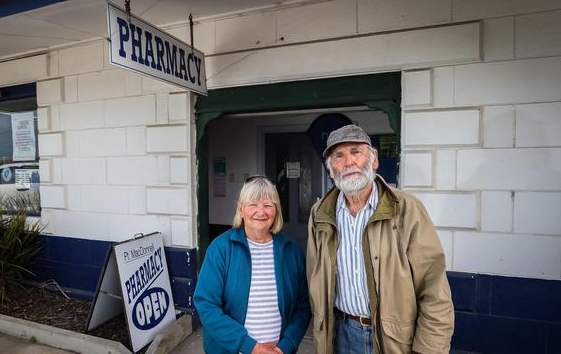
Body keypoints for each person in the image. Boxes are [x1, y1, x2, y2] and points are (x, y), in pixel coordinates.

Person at [307, 124, 454, 354]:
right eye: (339, 156)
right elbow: (315, 279)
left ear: (373, 159)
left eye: (356, 152)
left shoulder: (405, 209)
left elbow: (434, 291)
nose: (349, 162)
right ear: (330, 169)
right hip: (338, 335)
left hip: (392, 341)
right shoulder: (320, 214)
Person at [194, 176, 311, 354]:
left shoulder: (291, 251)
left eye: (268, 205)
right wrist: (251, 347)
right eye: (253, 204)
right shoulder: (221, 249)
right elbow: (206, 304)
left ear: (276, 210)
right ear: (241, 209)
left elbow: (303, 306)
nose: (261, 212)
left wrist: (285, 346)